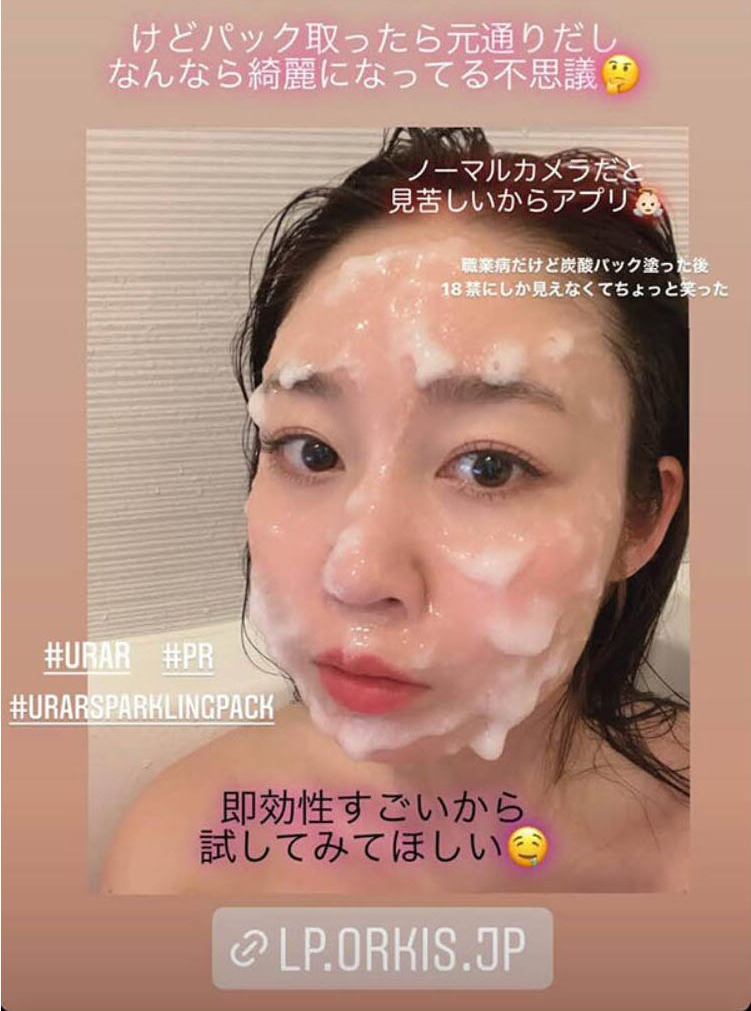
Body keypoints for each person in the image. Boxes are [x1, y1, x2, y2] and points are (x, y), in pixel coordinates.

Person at [101, 128, 689, 895]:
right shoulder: (189, 860)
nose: (355, 575)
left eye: (488, 466)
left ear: (640, 518)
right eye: (311, 450)